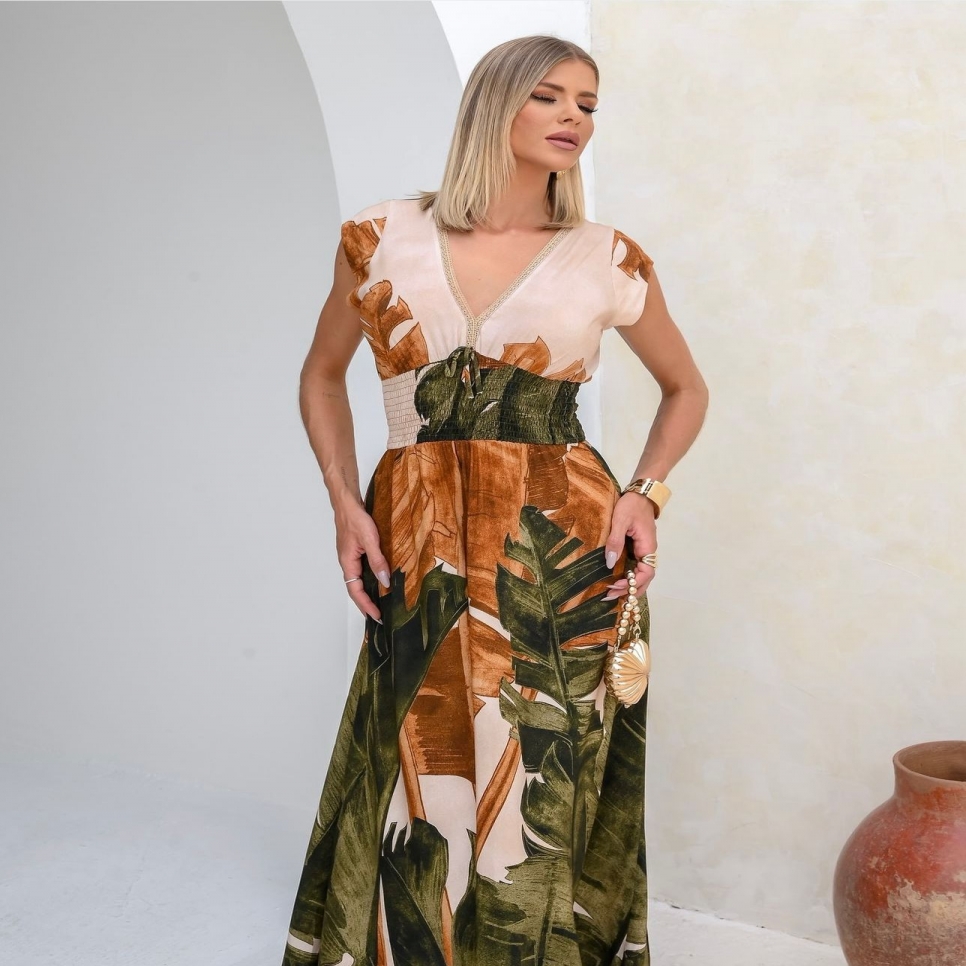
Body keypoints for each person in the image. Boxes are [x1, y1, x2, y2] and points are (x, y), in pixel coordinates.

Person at [282, 34, 708, 966]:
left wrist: (644, 494)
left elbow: (687, 388)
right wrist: (346, 505)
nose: (573, 118)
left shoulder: (607, 256)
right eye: (549, 96)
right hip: (417, 536)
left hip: (563, 553)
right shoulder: (380, 236)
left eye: (588, 104)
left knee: (544, 770)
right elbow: (321, 375)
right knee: (416, 766)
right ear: (494, 104)